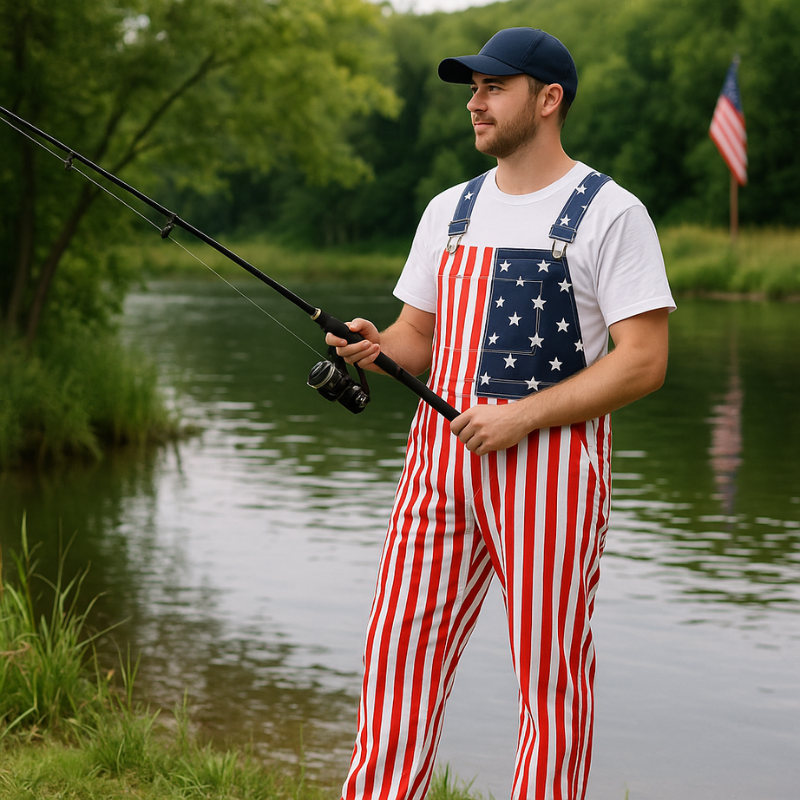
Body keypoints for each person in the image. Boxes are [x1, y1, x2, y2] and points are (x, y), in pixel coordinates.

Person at [327, 27, 675, 800]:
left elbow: (644, 361)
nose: (475, 104)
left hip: (549, 470)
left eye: (495, 88)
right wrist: (376, 344)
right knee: (397, 652)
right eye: (472, 89)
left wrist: (522, 417)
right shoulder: (449, 209)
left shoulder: (611, 213)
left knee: (548, 679)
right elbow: (417, 339)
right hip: (439, 462)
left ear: (549, 100)